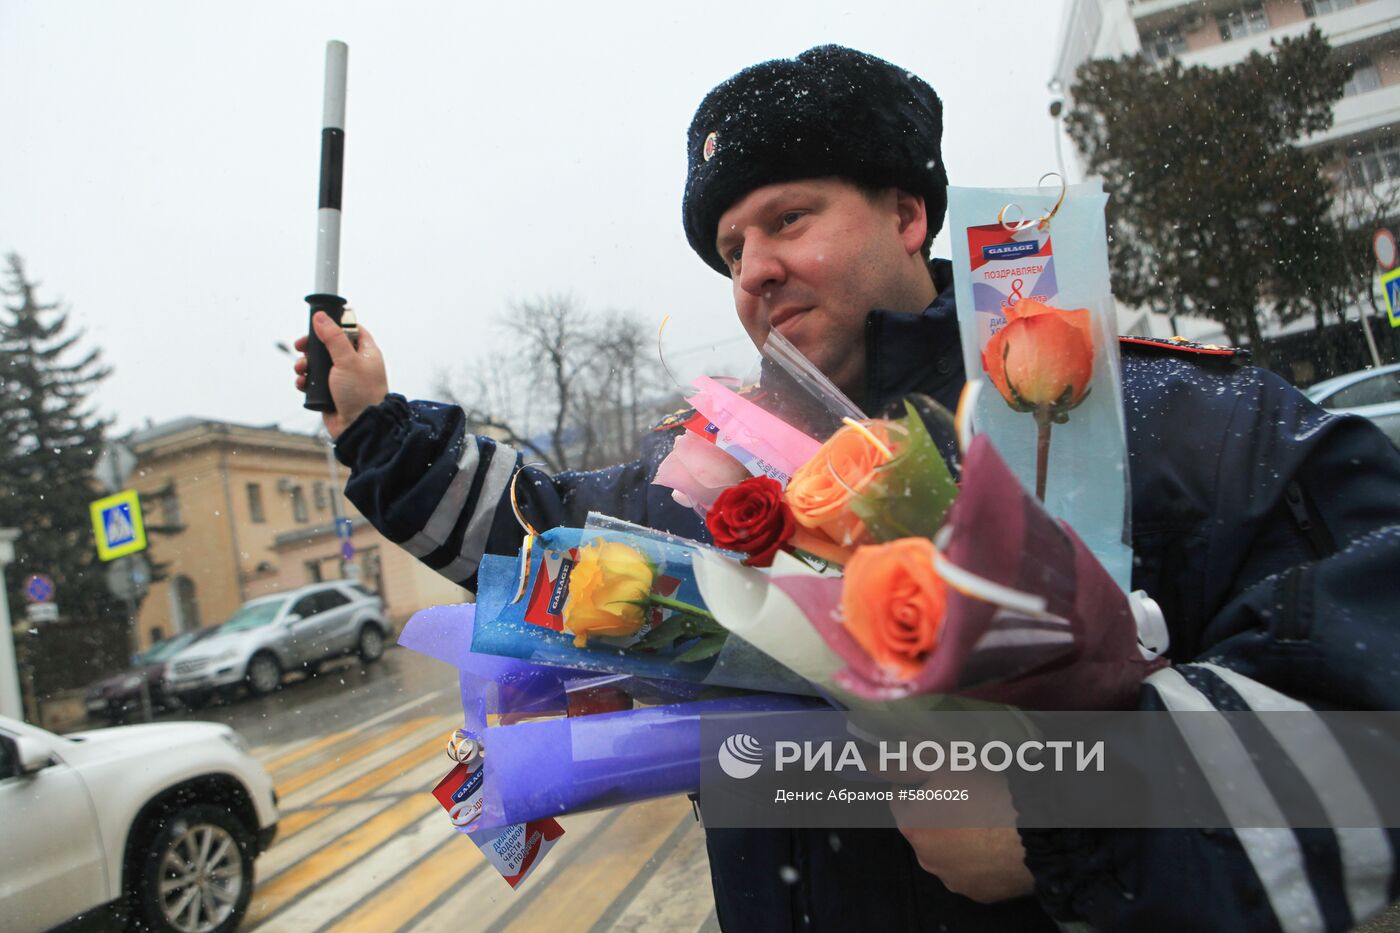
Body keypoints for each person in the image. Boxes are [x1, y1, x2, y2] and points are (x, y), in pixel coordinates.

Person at [295, 45, 1400, 932]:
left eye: (785, 220)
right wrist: (377, 427)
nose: (751, 270)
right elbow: (543, 537)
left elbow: (1372, 718)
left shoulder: (1138, 416)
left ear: (907, 216)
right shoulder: (714, 477)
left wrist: (1066, 812)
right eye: (729, 248)